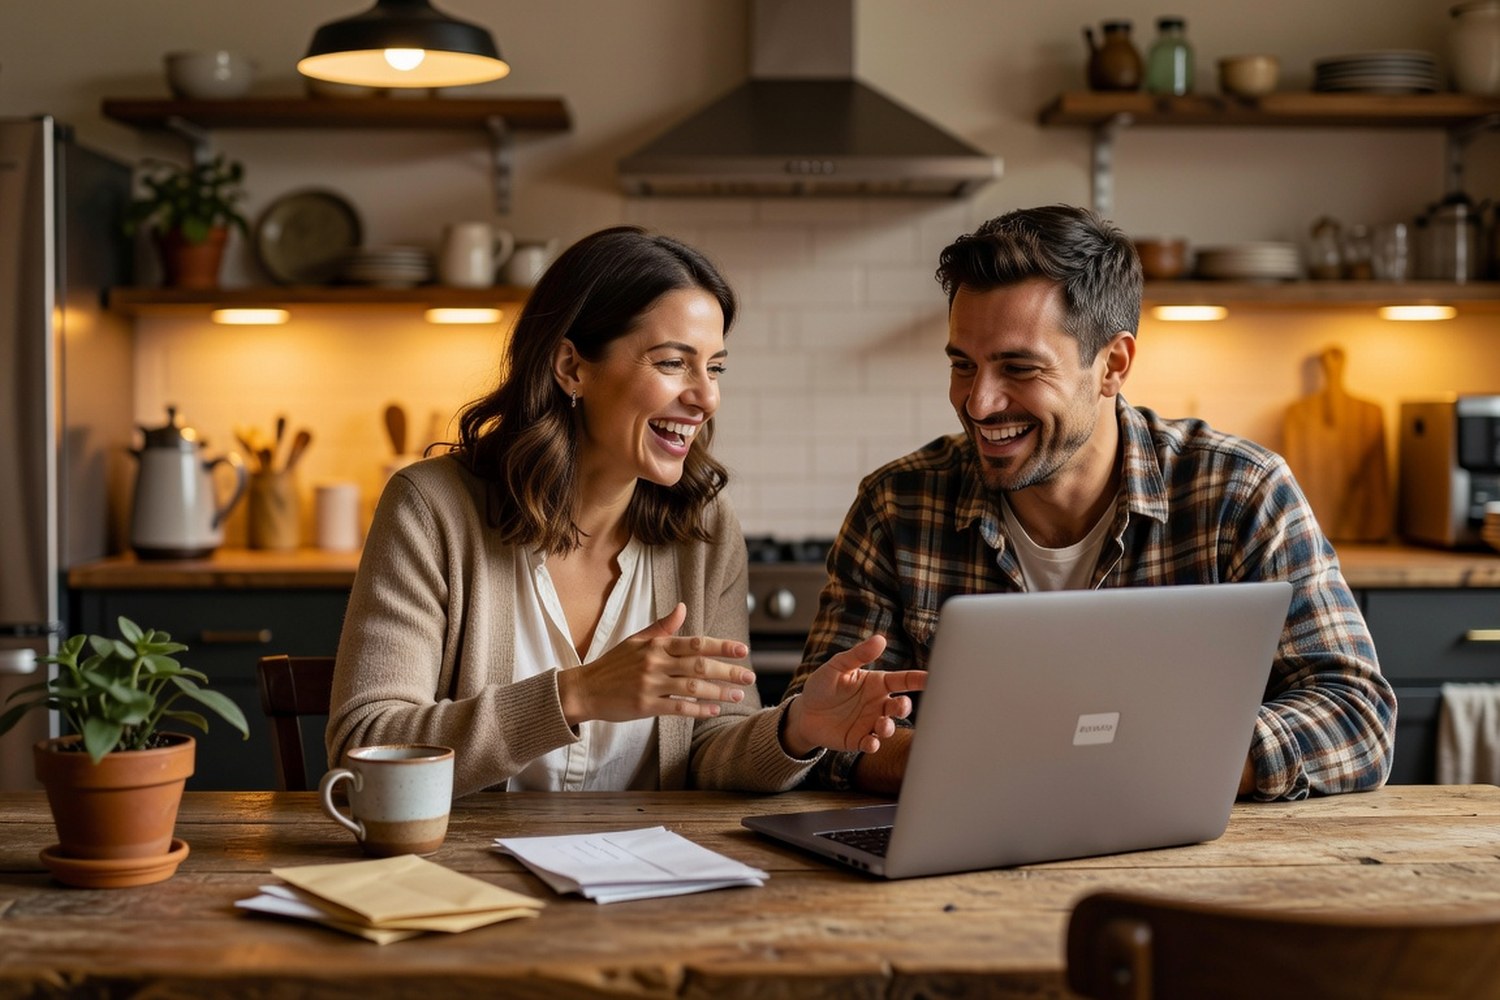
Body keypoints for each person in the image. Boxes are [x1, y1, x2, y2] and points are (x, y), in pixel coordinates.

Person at [783, 204, 1396, 801]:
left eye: (1018, 369)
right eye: (963, 365)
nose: (979, 403)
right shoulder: (896, 507)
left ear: (1113, 365)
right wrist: (1015, 767)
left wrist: (1150, 765)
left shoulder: (1240, 493)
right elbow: (826, 729)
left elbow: (1355, 717)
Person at [327, 226, 924, 798]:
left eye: (714, 367)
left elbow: (708, 744)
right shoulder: (432, 510)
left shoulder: (705, 530)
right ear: (572, 368)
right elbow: (364, 747)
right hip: (466, 879)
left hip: (649, 881)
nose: (706, 396)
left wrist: (795, 730)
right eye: (672, 363)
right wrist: (574, 696)